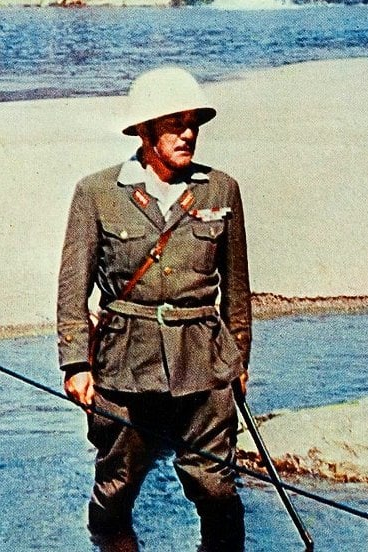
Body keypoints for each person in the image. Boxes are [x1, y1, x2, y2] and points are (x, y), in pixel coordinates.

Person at [57, 66, 252, 549]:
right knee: (117, 483)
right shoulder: (98, 193)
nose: (188, 134)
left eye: (194, 124)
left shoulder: (220, 190)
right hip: (124, 362)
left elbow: (238, 290)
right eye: (174, 123)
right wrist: (76, 363)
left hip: (204, 361)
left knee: (213, 482)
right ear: (144, 131)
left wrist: (239, 361)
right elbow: (72, 287)